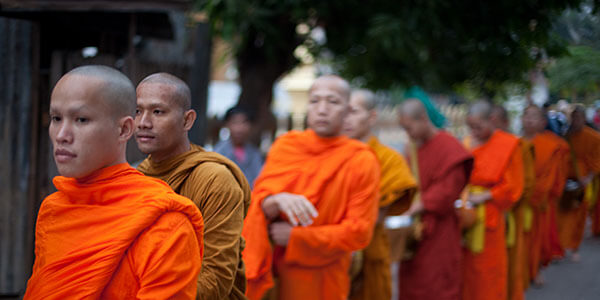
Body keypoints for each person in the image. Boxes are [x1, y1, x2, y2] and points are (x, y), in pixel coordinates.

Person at [24, 66, 204, 299]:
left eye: (81, 119)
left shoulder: (166, 225)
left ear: (124, 129)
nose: (61, 135)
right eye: (56, 118)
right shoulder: (54, 210)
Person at [242, 75, 381, 300]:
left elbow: (359, 232)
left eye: (333, 102)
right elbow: (258, 204)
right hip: (271, 270)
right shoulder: (286, 146)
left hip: (324, 278)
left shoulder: (361, 160)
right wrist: (275, 200)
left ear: (347, 110)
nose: (322, 109)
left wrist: (297, 237)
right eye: (315, 101)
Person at [134, 73, 251, 300]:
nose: (143, 122)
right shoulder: (135, 177)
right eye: (138, 111)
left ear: (187, 120)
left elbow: (216, 279)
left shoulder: (215, 180)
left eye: (157, 112)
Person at [343, 89, 417, 300]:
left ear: (372, 116)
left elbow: (377, 215)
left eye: (354, 112)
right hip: (328, 254)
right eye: (344, 112)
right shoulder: (330, 155)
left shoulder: (389, 160)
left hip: (368, 251)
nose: (346, 118)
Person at [397, 99, 472, 300]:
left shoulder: (449, 147)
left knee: (439, 287)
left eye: (409, 128)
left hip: (441, 231)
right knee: (412, 285)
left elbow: (448, 191)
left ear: (423, 118)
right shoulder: (413, 149)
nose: (408, 134)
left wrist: (419, 205)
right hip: (415, 234)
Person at [462, 101, 524, 300]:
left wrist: (485, 196)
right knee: (467, 272)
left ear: (492, 120)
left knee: (490, 272)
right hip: (466, 215)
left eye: (478, 127)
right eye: (470, 127)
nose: (474, 131)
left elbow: (514, 186)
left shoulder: (508, 144)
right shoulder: (467, 143)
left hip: (491, 216)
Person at [491, 105, 536, 298]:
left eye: (495, 124)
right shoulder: (480, 144)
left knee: (511, 259)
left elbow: (527, 183)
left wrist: (507, 201)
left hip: (510, 211)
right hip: (487, 212)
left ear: (505, 123)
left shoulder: (517, 146)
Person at [522, 105, 569, 286]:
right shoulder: (515, 143)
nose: (529, 120)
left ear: (543, 122)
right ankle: (522, 272)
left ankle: (536, 270)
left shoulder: (552, 146)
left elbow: (552, 177)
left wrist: (537, 193)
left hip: (540, 201)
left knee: (538, 240)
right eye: (526, 116)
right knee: (521, 239)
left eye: (534, 117)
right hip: (519, 199)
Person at [557, 105, 600, 259]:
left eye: (578, 118)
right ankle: (561, 246)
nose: (575, 121)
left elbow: (597, 162)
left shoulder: (594, 137)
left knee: (580, 216)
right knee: (563, 215)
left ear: (584, 119)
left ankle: (574, 247)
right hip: (566, 181)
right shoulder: (565, 136)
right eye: (573, 118)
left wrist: (587, 179)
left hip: (583, 182)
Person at [215, 106, 264, 185]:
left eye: (244, 122)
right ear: (227, 125)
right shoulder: (218, 152)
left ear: (250, 126)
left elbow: (260, 180)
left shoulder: (255, 153)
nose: (239, 128)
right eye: (235, 122)